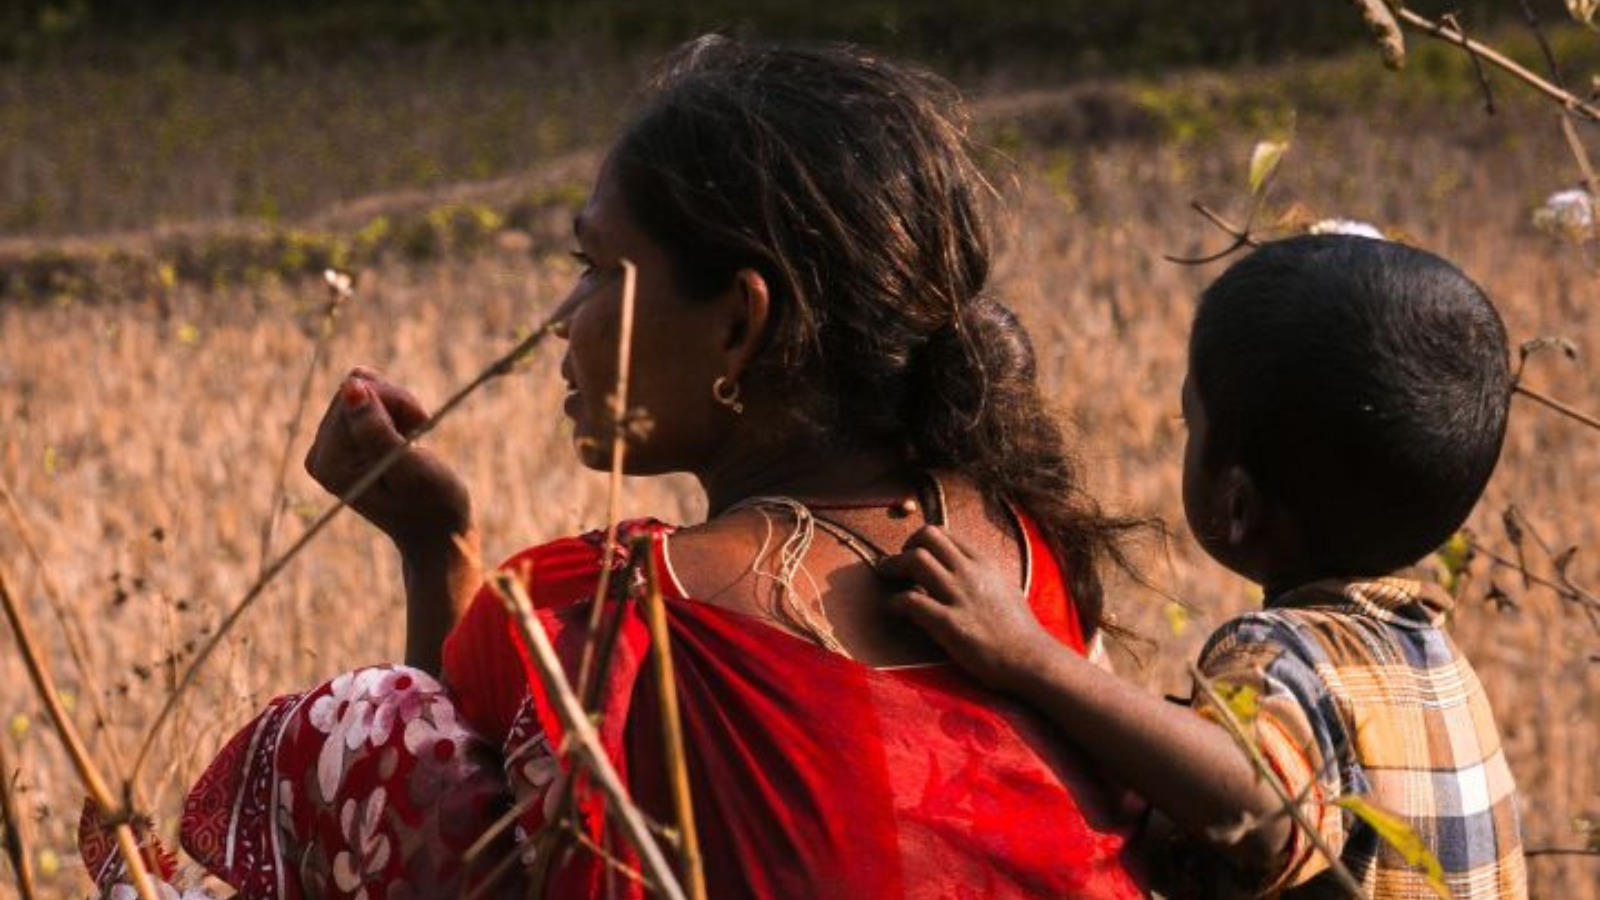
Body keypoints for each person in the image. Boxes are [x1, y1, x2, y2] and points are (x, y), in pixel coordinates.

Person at [81, 37, 1155, 900]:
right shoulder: (1023, 546)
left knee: (362, 732)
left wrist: (434, 549)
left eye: (596, 269)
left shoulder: (605, 608)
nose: (563, 319)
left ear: (738, 324)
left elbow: (447, 795)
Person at [878, 235, 1529, 898]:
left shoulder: (1285, 656)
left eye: (1188, 421)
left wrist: (1031, 657)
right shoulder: (1442, 673)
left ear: (1238, 506)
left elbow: (1263, 811)